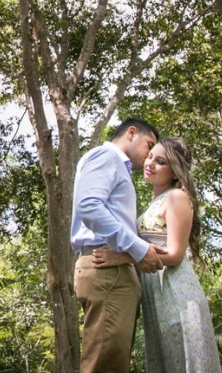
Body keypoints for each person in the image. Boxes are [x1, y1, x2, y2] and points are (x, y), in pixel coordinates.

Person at [92, 137, 221, 372]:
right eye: (150, 156)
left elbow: (175, 255)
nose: (150, 163)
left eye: (160, 161)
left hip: (175, 291)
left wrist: (124, 257)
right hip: (155, 294)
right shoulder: (155, 202)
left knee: (183, 361)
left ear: (174, 172)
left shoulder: (177, 197)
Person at [71, 117, 167, 373]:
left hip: (112, 272)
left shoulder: (117, 167)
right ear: (131, 133)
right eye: (149, 146)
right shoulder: (107, 157)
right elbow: (88, 206)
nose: (149, 157)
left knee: (112, 362)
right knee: (104, 365)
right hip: (106, 271)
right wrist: (137, 249)